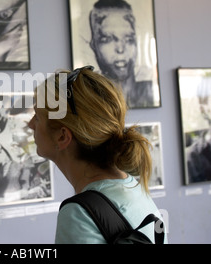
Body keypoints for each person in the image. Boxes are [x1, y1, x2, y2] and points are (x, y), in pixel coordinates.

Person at [27, 65, 166, 243]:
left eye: (37, 117)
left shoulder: (79, 214)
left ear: (62, 136)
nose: (31, 124)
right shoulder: (134, 188)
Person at [88, 0, 155, 108]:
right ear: (94, 44)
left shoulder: (149, 91)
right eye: (108, 39)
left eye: (129, 39)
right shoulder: (89, 102)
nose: (120, 49)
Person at [0, 98, 50, 207]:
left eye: (37, 120)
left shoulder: (25, 146)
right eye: (27, 122)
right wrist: (25, 194)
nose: (33, 127)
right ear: (12, 120)